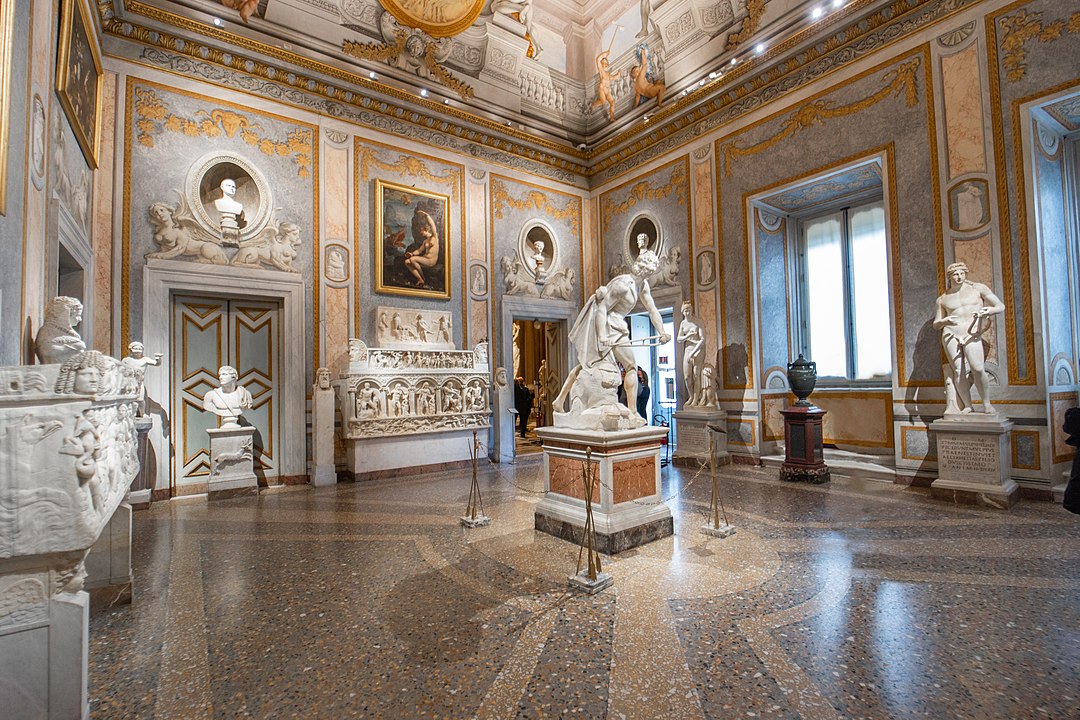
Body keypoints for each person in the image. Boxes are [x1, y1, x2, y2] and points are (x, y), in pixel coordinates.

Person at [552, 233, 670, 425]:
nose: (650, 273)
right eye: (650, 270)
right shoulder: (623, 285)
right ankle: (632, 412)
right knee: (629, 366)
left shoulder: (642, 286)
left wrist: (662, 331)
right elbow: (602, 308)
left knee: (588, 365)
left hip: (617, 327)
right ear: (644, 268)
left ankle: (559, 400)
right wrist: (602, 336)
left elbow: (652, 309)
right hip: (607, 327)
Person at [933, 262, 1005, 415]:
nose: (959, 277)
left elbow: (1000, 306)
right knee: (958, 370)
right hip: (951, 333)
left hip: (971, 333)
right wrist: (945, 321)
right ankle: (967, 405)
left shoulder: (978, 289)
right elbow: (936, 324)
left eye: (962, 273)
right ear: (950, 277)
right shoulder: (943, 299)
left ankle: (987, 404)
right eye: (955, 274)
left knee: (977, 368)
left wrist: (989, 310)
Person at [677, 301, 706, 406]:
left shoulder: (698, 322)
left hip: (698, 349)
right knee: (687, 376)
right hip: (688, 348)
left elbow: (703, 339)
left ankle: (696, 398)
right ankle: (691, 396)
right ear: (683, 312)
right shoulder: (683, 323)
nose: (688, 313)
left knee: (696, 374)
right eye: (685, 311)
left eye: (689, 310)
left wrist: (693, 352)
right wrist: (687, 336)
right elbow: (679, 339)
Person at [403, 209, 440, 289]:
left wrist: (426, 215)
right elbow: (419, 251)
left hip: (431, 261)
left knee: (412, 260)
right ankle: (420, 279)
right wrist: (412, 254)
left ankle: (423, 277)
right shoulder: (425, 241)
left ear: (426, 230)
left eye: (421, 230)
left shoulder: (434, 237)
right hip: (425, 259)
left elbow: (433, 225)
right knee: (407, 262)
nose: (420, 232)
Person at [590, 50, 621, 122]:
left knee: (612, 102)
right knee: (603, 102)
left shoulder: (607, 74)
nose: (606, 64)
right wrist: (605, 54)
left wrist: (618, 74)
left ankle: (612, 117)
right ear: (602, 64)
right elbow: (598, 59)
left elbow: (613, 78)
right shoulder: (601, 71)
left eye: (607, 63)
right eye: (604, 63)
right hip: (602, 88)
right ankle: (593, 105)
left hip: (607, 90)